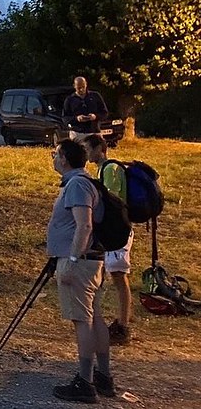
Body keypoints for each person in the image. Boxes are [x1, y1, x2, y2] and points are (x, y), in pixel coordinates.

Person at [48, 139, 116, 402]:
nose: (54, 159)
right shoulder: (83, 182)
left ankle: (85, 382)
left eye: (56, 155)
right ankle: (103, 376)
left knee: (83, 321)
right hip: (92, 261)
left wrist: (73, 260)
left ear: (64, 158)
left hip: (80, 261)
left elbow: (84, 226)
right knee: (94, 317)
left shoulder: (77, 185)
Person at [82, 134, 133, 345]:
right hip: (114, 230)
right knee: (111, 275)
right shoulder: (104, 169)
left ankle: (123, 325)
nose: (85, 154)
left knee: (119, 276)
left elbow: (111, 199)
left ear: (99, 149)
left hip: (117, 231)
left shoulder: (110, 169)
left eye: (87, 149)